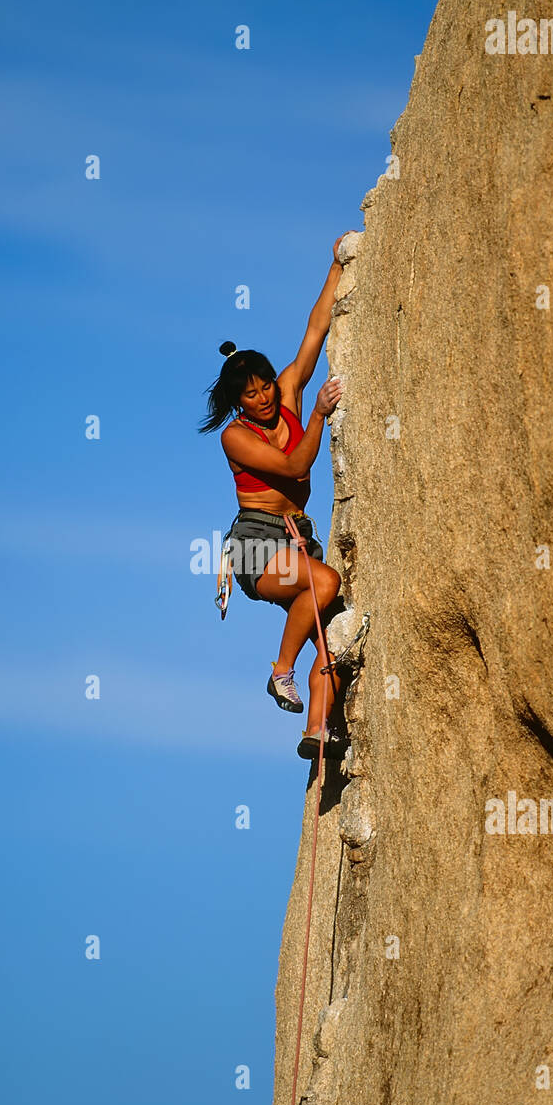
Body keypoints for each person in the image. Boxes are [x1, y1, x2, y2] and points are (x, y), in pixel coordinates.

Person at [197, 235, 349, 759]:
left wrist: (336, 268)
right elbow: (293, 466)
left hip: (297, 538)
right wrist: (319, 417)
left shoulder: (286, 392)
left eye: (264, 387)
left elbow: (314, 332)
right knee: (324, 581)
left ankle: (315, 728)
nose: (262, 398)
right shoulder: (235, 436)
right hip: (257, 545)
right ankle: (280, 672)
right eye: (250, 393)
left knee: (330, 630)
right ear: (236, 401)